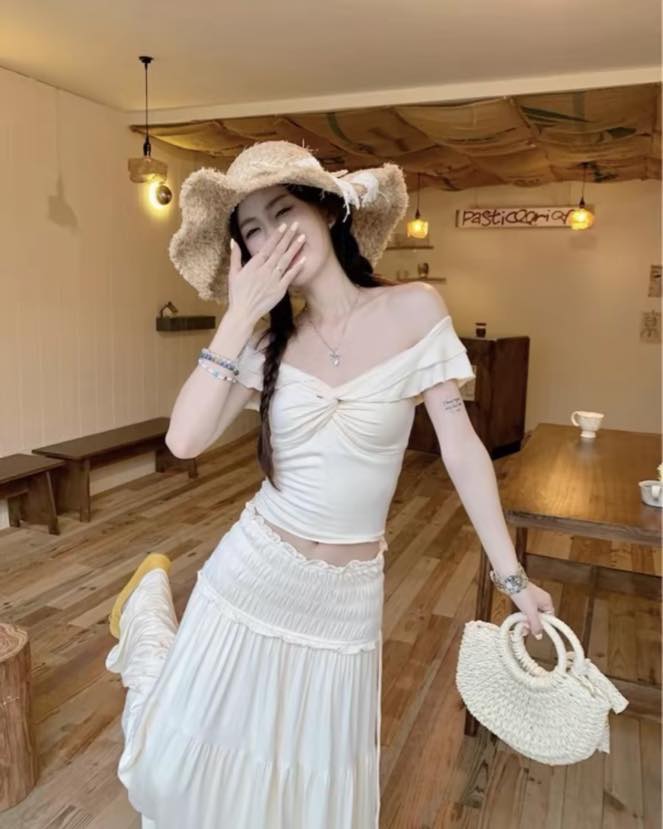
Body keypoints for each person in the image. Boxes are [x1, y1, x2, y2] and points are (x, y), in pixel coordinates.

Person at [105, 140, 555, 829]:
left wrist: (512, 576)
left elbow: (462, 449)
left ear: (326, 211)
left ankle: (147, 607)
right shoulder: (266, 344)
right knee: (176, 765)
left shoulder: (413, 310)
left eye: (283, 211)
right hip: (252, 572)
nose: (272, 236)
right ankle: (145, 616)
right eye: (252, 230)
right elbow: (184, 441)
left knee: (304, 788)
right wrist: (237, 315)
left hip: (344, 599)